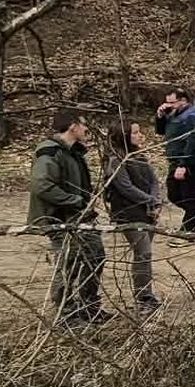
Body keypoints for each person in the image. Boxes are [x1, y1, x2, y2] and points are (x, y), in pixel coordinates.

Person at [29, 108, 105, 329]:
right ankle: (66, 314)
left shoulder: (74, 152)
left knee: (95, 256)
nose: (86, 129)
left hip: (82, 218)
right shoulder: (49, 152)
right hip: (59, 220)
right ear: (73, 126)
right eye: (83, 125)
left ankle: (89, 307)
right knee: (67, 266)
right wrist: (75, 200)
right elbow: (41, 185)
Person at [103, 121, 164, 314]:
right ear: (124, 136)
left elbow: (153, 180)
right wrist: (150, 200)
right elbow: (125, 188)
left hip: (148, 211)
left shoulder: (139, 156)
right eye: (135, 133)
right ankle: (144, 297)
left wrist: (155, 201)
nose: (140, 136)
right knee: (143, 252)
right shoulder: (115, 160)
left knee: (145, 254)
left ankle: (147, 294)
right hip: (129, 213)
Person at [154, 89, 195, 232]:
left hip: (192, 163)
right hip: (175, 161)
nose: (168, 105)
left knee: (188, 197)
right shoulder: (172, 115)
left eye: (172, 102)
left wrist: (184, 165)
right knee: (174, 195)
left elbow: (194, 143)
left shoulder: (193, 117)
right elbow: (161, 131)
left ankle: (188, 230)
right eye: (167, 102)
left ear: (184, 101)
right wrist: (160, 116)